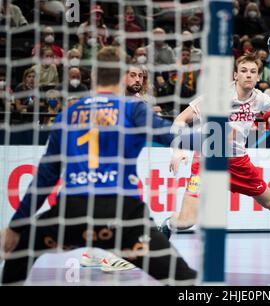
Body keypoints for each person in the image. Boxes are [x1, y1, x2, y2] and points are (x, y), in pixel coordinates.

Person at [0, 46, 197, 285]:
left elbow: (45, 178)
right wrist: (217, 137)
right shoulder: (133, 108)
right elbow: (175, 136)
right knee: (184, 280)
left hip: (71, 215)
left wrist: (16, 227)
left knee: (20, 252)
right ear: (124, 77)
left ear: (93, 76)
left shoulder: (69, 113)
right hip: (123, 217)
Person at [159, 53, 270, 243]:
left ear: (258, 77)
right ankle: (167, 226)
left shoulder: (258, 98)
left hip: (238, 163)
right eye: (244, 71)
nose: (248, 75)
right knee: (186, 220)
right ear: (235, 75)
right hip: (207, 162)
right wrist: (178, 150)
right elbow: (181, 119)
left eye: (253, 72)